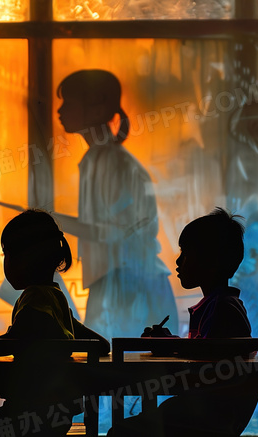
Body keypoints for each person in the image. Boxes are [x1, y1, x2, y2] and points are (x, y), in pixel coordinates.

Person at [108, 208, 258, 437]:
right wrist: (170, 342)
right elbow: (205, 353)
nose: (178, 261)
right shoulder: (219, 304)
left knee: (121, 432)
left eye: (186, 253)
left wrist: (170, 346)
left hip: (205, 419)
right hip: (206, 415)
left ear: (211, 260)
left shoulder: (222, 308)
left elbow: (209, 369)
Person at [0, 210, 110, 437]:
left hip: (26, 417)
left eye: (6, 254)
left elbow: (18, 339)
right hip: (57, 416)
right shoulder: (56, 300)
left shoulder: (35, 298)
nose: (5, 263)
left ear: (23, 259)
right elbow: (101, 344)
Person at [53, 69, 178, 340]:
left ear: (97, 107)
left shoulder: (114, 163)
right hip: (118, 282)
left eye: (69, 103)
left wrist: (54, 220)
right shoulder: (97, 160)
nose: (60, 110)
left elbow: (116, 232)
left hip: (130, 286)